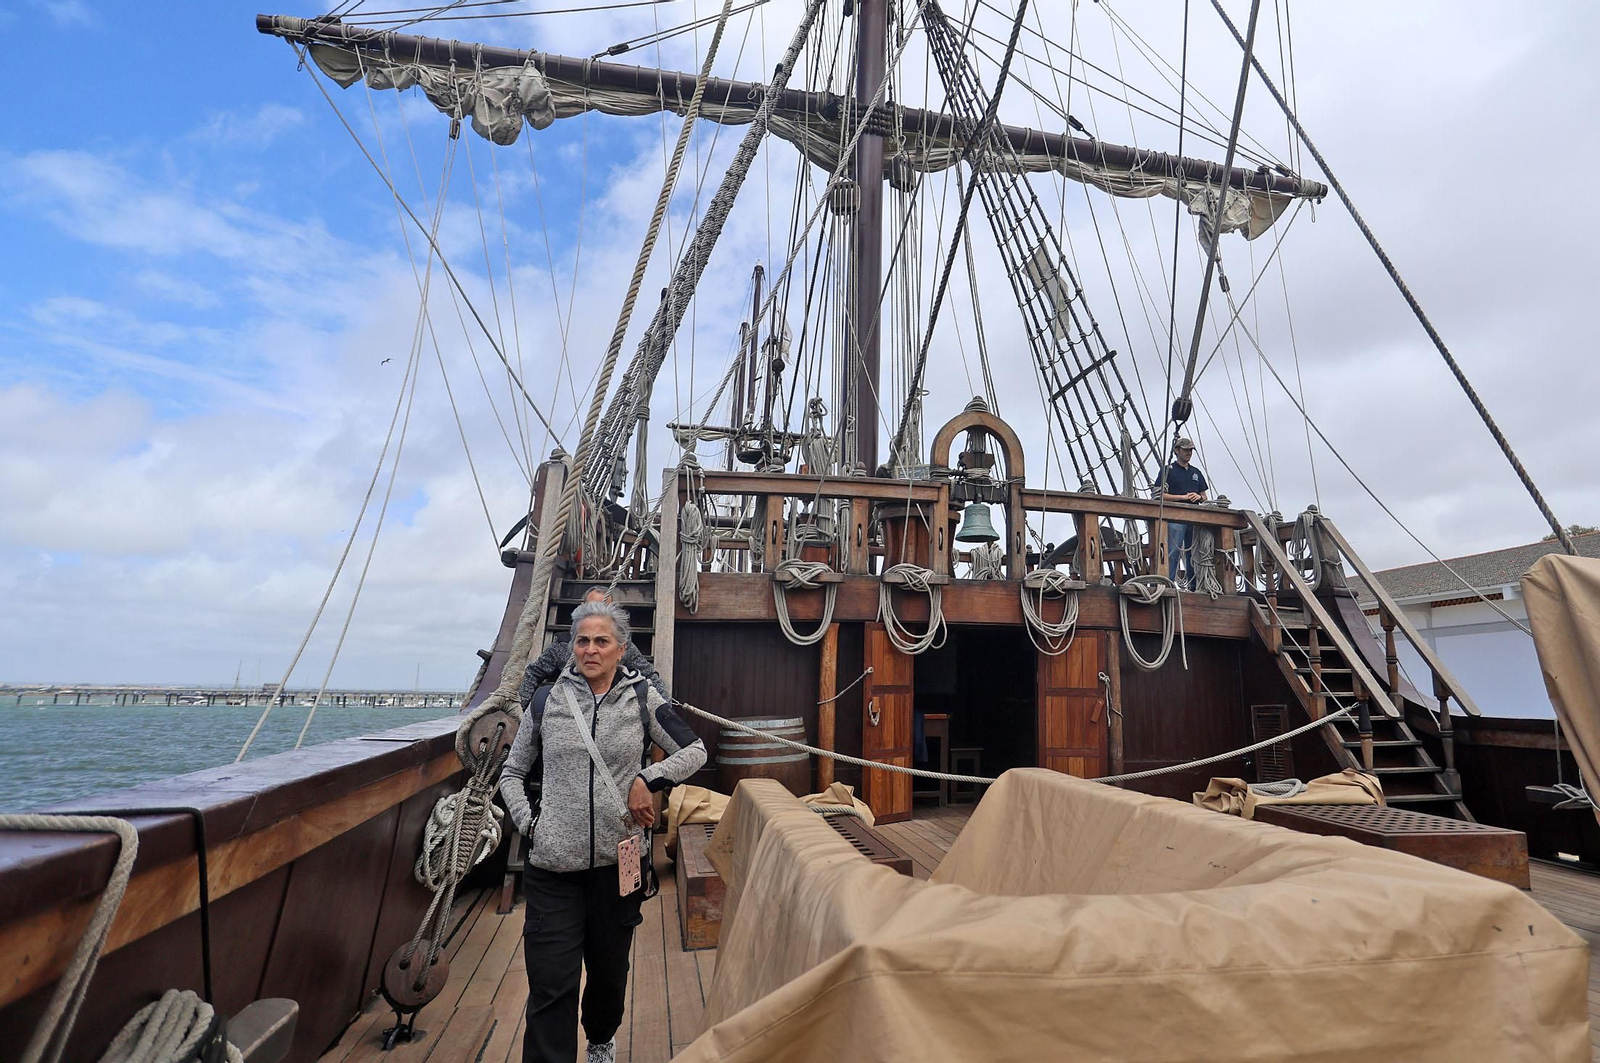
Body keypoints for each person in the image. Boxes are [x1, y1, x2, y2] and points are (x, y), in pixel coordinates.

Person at [500, 600, 706, 1063]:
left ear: (621, 649)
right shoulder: (546, 700)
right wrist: (531, 823)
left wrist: (646, 780)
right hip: (553, 867)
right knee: (551, 983)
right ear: (572, 647)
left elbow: (694, 751)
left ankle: (600, 1039)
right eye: (582, 641)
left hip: (619, 867)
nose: (590, 649)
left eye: (601, 641)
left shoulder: (640, 698)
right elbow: (512, 772)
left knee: (609, 973)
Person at [519, 587, 666, 707]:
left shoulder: (623, 647)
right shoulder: (561, 645)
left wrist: (664, 712)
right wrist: (521, 710)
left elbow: (650, 676)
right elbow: (533, 673)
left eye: (603, 608)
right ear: (581, 608)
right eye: (591, 608)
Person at [1159, 437, 1209, 589]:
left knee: (1194, 553)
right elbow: (1160, 495)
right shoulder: (1168, 471)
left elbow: (1204, 496)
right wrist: (1183, 497)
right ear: (1177, 450)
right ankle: (1168, 584)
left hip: (1194, 517)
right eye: (1186, 450)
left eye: (1190, 450)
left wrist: (1198, 497)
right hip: (1175, 516)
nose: (1189, 453)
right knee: (1173, 551)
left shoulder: (1196, 472)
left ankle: (1195, 586)